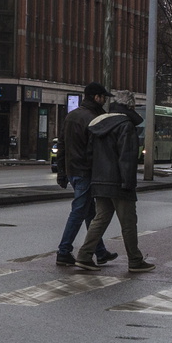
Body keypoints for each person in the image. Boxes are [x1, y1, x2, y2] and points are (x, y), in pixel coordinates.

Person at [76, 97, 154, 273]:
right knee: (128, 222)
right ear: (129, 106)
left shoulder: (97, 125)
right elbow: (127, 157)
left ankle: (84, 255)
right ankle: (135, 260)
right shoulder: (126, 126)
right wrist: (128, 183)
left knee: (100, 219)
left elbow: (89, 154)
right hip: (119, 182)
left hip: (100, 180)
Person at [54, 84, 115, 269]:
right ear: (96, 97)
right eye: (103, 97)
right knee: (79, 211)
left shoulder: (71, 116)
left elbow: (62, 145)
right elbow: (95, 150)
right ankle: (64, 252)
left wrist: (61, 172)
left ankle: (100, 252)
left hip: (73, 171)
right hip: (86, 171)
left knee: (89, 212)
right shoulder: (95, 119)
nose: (105, 100)